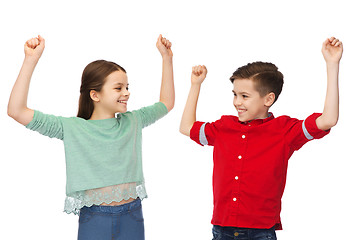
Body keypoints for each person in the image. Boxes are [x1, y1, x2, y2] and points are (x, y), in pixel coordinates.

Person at [8, 34, 174, 240]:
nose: (127, 93)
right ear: (95, 95)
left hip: (133, 215)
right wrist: (30, 60)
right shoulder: (71, 127)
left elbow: (166, 102)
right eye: (118, 88)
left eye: (127, 87)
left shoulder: (133, 121)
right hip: (94, 219)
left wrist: (167, 59)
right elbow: (16, 110)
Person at [179, 37, 342, 240]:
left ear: (268, 99)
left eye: (244, 96)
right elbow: (186, 127)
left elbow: (328, 120)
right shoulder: (223, 127)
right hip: (222, 229)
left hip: (261, 232)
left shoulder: (284, 130)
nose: (237, 102)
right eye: (235, 94)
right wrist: (195, 85)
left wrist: (332, 64)